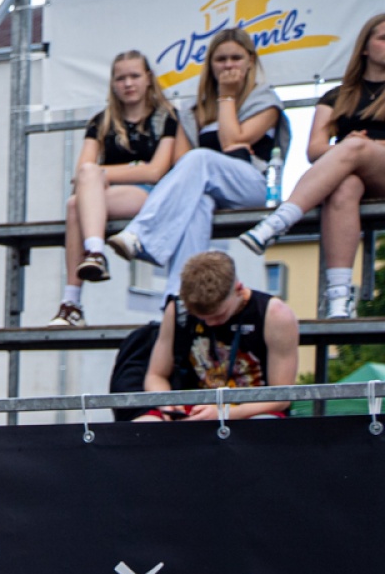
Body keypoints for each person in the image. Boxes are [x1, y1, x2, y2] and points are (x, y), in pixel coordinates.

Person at [110, 27, 285, 287]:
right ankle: (178, 297)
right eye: (221, 59)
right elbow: (183, 162)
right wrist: (227, 149)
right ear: (210, 64)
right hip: (210, 190)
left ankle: (141, 234)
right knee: (197, 204)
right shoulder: (195, 110)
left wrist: (227, 95)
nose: (228, 65)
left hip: (251, 187)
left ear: (250, 61)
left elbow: (231, 141)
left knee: (201, 158)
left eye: (235, 58)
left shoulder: (265, 100)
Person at [239, 10, 385, 319]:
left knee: (354, 147)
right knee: (345, 186)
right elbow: (315, 149)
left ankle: (280, 220)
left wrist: (366, 146)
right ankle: (339, 297)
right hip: (354, 174)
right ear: (364, 47)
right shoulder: (338, 96)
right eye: (383, 38)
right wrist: (348, 149)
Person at [48, 50, 188, 327]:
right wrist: (129, 168)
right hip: (106, 196)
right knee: (75, 200)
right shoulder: (101, 121)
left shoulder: (166, 117)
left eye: (134, 76)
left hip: (152, 196)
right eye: (121, 78)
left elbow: (155, 171)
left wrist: (103, 174)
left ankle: (74, 296)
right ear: (112, 83)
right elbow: (82, 171)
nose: (128, 83)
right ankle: (83, 278)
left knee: (82, 193)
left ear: (148, 78)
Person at [136, 250, 300, 422]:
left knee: (261, 427)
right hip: (193, 409)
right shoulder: (178, 310)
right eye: (200, 317)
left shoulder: (274, 313)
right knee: (142, 427)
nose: (210, 323)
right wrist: (167, 404)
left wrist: (223, 414)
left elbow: (281, 397)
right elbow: (155, 375)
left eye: (218, 316)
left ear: (239, 289)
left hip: (252, 410)